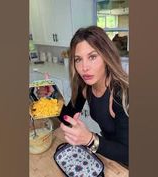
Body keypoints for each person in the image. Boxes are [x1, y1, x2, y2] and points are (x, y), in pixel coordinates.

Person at [58, 26, 129, 167]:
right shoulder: (86, 86)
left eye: (92, 57)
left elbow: (128, 152)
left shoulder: (121, 94)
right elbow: (68, 117)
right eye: (78, 59)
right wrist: (51, 98)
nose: (84, 67)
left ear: (106, 56)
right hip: (107, 151)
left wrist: (90, 139)